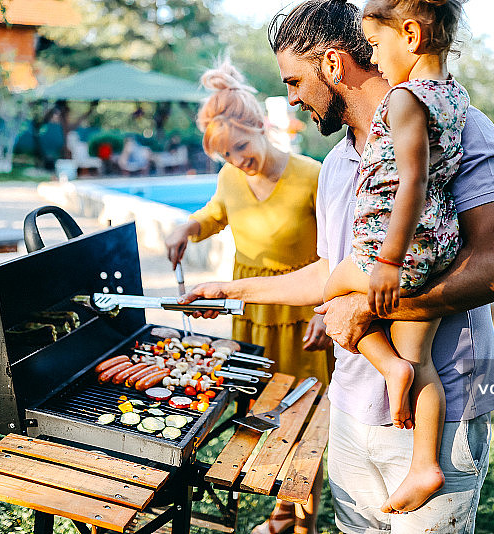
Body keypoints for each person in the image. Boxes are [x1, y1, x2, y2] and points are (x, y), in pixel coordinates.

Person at [181, 1, 494, 532]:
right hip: (349, 405)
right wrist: (227, 290)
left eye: (295, 81)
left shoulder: (459, 128)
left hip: (441, 411)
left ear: (334, 65)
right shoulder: (334, 165)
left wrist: (370, 308)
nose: (291, 99)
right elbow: (329, 272)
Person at [163, 60, 334, 534]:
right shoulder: (230, 178)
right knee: (260, 419)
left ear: (260, 125)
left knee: (304, 425)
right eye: (226, 155)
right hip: (250, 316)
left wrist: (327, 309)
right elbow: (215, 213)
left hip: (303, 318)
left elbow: (339, 252)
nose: (237, 161)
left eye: (240, 147)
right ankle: (281, 513)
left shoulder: (313, 175)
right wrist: (187, 227)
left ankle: (302, 523)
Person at [321, 0, 469, 514]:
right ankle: (425, 464)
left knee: (332, 292)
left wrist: (385, 261)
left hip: (392, 249)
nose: (375, 58)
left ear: (409, 35)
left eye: (376, 44)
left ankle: (388, 368)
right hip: (437, 244)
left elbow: (413, 180)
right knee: (420, 358)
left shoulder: (404, 99)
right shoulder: (455, 96)